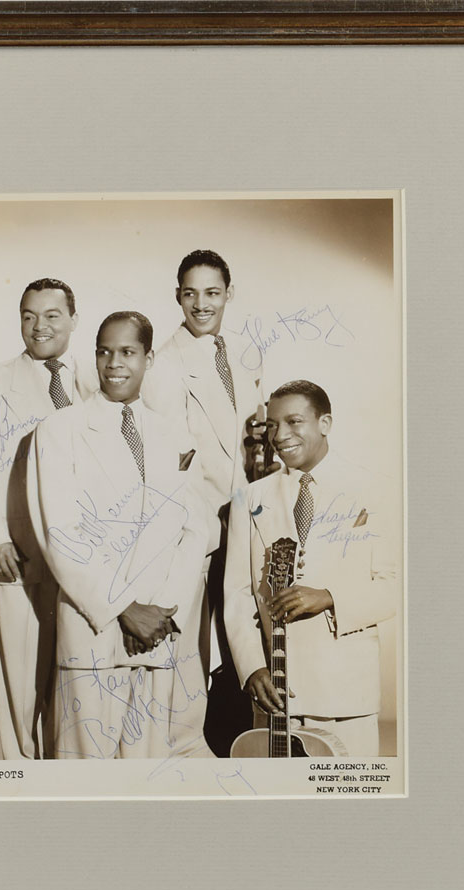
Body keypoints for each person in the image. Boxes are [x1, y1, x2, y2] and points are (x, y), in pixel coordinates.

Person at [27, 311, 210, 759]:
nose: (113, 363)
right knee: (85, 772)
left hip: (156, 635)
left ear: (149, 358)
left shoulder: (176, 436)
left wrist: (163, 613)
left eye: (127, 352)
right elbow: (60, 533)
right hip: (95, 628)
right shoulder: (59, 430)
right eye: (104, 352)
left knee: (147, 771)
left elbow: (194, 530)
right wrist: (125, 609)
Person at [0, 277, 96, 759]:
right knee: (22, 675)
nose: (39, 326)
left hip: (83, 554)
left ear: (73, 320)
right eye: (29, 316)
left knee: (75, 675)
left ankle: (67, 767)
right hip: (19, 551)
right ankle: (22, 771)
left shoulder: (96, 381)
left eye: (52, 315)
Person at [223, 380, 397, 756]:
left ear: (325, 423)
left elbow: (396, 585)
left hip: (346, 694)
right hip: (275, 694)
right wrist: (252, 668)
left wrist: (329, 597)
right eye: (272, 425)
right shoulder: (249, 498)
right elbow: (236, 594)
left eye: (294, 422)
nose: (279, 435)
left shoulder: (374, 489)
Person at [143, 249, 264, 754]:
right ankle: (180, 746)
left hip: (243, 516)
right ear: (177, 296)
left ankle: (235, 739)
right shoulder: (163, 364)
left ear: (229, 294)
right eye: (190, 293)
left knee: (244, 632)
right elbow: (166, 460)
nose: (201, 304)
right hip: (194, 523)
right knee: (187, 643)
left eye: (212, 292)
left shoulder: (243, 352)